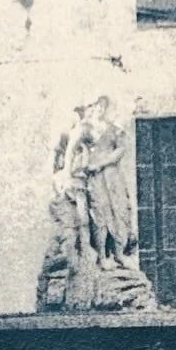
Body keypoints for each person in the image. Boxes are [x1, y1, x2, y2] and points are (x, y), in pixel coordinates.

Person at [67, 96, 137, 270]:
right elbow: (70, 149)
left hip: (112, 175)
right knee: (101, 214)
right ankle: (102, 255)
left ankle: (119, 254)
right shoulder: (85, 128)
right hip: (95, 177)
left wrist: (102, 163)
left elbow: (120, 149)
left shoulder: (113, 129)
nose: (99, 109)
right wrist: (67, 174)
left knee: (119, 211)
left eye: (102, 105)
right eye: (96, 105)